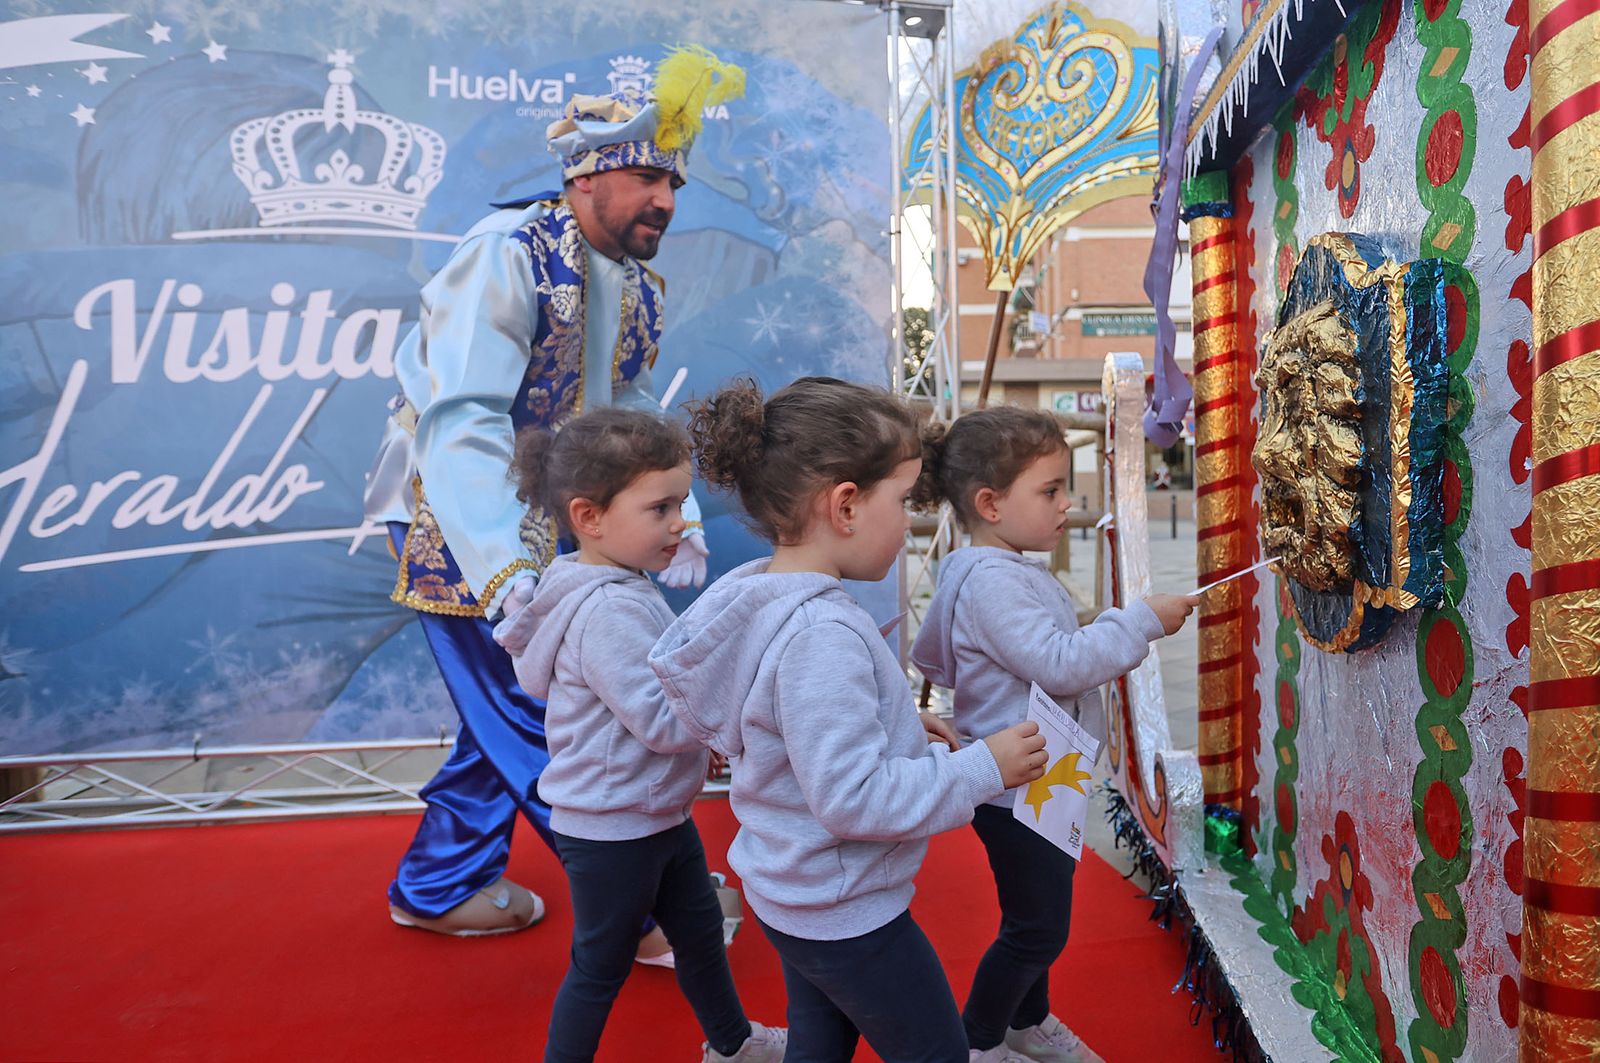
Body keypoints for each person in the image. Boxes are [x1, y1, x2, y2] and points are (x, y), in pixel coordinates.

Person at [361, 47, 744, 937]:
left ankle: (439, 882)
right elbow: (463, 421)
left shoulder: (636, 281)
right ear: (586, 177)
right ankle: (648, 907)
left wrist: (675, 509)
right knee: (540, 709)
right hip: (456, 508)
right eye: (646, 177)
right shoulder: (506, 256)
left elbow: (625, 402)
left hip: (553, 508)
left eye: (674, 182)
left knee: (503, 710)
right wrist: (504, 570)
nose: (666, 200)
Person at [650, 377, 1049, 1062]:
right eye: (903, 500)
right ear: (845, 505)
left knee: (819, 1044)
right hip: (845, 912)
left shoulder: (769, 596)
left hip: (796, 893)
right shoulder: (821, 634)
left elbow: (796, 732)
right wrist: (984, 768)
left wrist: (898, 727)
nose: (909, 521)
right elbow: (851, 797)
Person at [493, 408, 785, 1063]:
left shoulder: (617, 584)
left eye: (680, 504)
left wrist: (701, 736)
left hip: (652, 813)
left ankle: (733, 1045)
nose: (680, 523)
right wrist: (724, 707)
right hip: (613, 829)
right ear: (589, 516)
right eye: (660, 508)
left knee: (701, 935)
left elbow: (659, 706)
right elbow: (660, 719)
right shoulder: (608, 608)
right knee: (599, 966)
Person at [909, 406, 1198, 1063]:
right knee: (1036, 930)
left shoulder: (992, 569)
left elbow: (938, 654)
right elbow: (1060, 661)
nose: (1067, 502)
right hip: (1019, 787)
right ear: (990, 504)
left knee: (1034, 915)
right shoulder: (992, 581)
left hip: (1041, 778)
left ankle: (1028, 1019)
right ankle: (980, 1039)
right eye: (1050, 490)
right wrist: (1139, 622)